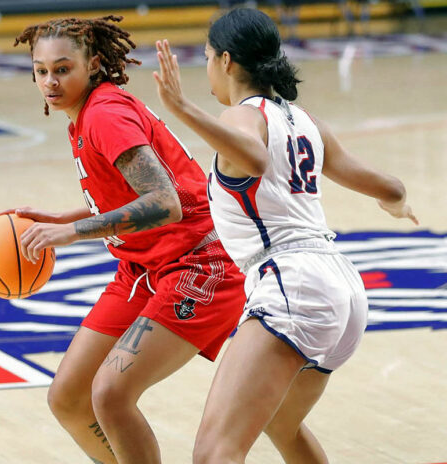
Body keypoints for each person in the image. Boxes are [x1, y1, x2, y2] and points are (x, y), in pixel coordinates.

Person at [152, 8, 417, 463]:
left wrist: (181, 109)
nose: (207, 68)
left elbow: (253, 158)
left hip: (291, 286)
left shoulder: (240, 116)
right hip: (344, 294)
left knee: (214, 454)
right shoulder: (303, 121)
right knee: (282, 424)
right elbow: (391, 187)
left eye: (209, 56)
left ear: (228, 61)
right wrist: (395, 205)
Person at [9, 15, 245, 464]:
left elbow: (166, 202)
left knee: (111, 394)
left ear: (93, 63)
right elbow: (136, 191)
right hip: (145, 265)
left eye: (62, 69)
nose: (50, 81)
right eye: (41, 71)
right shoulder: (87, 112)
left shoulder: (104, 114)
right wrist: (75, 213)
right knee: (69, 398)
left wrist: (72, 231)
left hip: (200, 262)